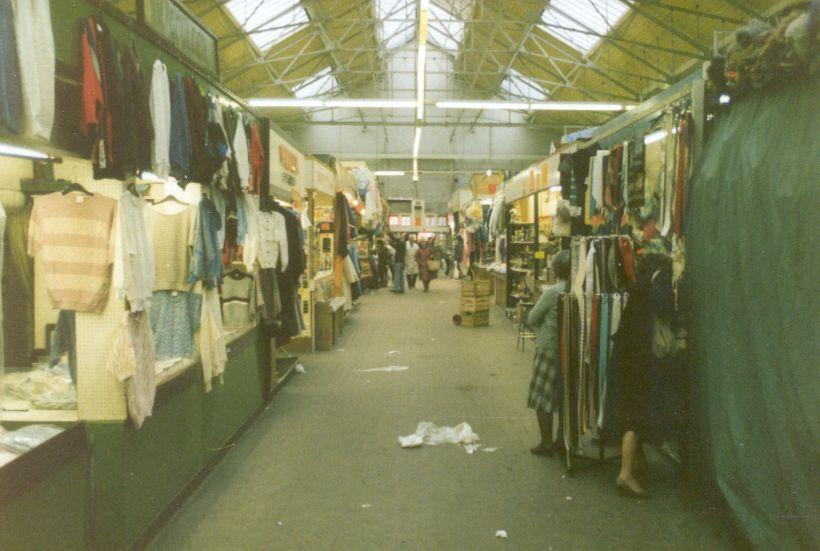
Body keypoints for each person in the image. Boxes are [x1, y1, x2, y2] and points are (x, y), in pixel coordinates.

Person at [611, 253, 676, 498]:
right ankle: (625, 475)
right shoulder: (659, 283)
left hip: (626, 360)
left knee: (632, 412)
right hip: (640, 362)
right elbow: (662, 308)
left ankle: (637, 465)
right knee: (636, 418)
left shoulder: (639, 287)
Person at [526, 250, 570, 457]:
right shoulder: (578, 290)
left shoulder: (553, 292)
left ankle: (546, 442)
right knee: (564, 397)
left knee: (543, 395)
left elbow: (532, 318)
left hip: (548, 348)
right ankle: (562, 440)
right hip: (570, 349)